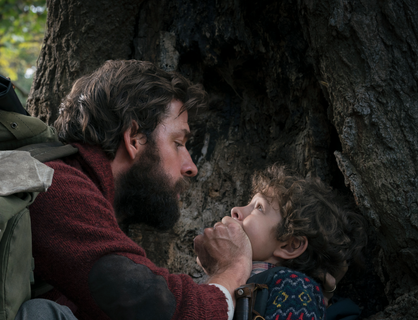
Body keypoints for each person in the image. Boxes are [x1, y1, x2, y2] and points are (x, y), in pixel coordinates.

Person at [27, 60, 253, 320]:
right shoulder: (55, 186)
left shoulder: (77, 188)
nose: (191, 167)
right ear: (134, 139)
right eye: (178, 143)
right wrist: (233, 269)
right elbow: (154, 307)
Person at [203, 165, 367, 320]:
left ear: (290, 245)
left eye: (259, 207)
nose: (236, 210)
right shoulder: (248, 281)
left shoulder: (294, 288)